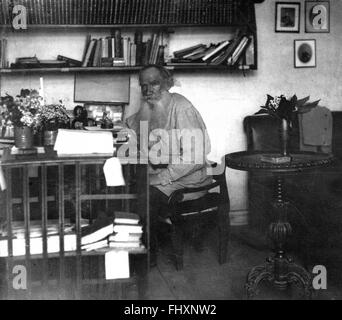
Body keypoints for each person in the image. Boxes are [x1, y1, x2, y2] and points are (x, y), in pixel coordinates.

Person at [126, 65, 212, 263]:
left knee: (142, 198)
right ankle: (139, 248)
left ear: (166, 83)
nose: (148, 91)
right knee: (125, 188)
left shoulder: (182, 107)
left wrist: (161, 177)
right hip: (161, 173)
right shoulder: (151, 105)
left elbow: (195, 156)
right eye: (143, 86)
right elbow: (132, 124)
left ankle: (145, 259)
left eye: (154, 84)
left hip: (186, 179)